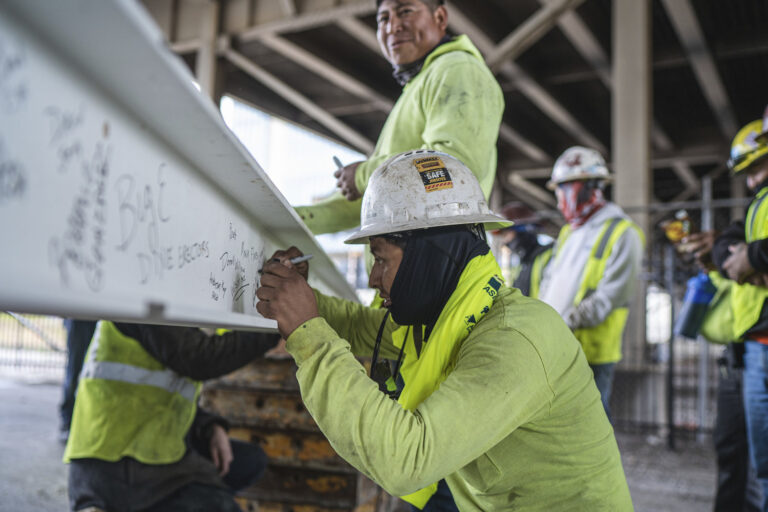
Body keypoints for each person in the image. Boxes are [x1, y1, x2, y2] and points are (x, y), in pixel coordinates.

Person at [256, 150, 633, 511]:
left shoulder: (513, 339)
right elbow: (362, 327)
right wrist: (305, 300)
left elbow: (406, 460)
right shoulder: (450, 323)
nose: (372, 278)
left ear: (430, 259)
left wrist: (308, 334)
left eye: (380, 259)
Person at [295, 0, 503, 235]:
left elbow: (454, 168)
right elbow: (372, 199)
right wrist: (292, 218)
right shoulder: (421, 83)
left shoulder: (457, 69)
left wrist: (364, 175)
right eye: (383, 19)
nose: (392, 27)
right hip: (417, 262)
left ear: (440, 18)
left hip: (437, 261)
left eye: (405, 12)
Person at [63, 321, 280, 512]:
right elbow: (199, 358)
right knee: (221, 506)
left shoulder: (180, 315)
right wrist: (277, 324)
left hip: (153, 452)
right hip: (116, 463)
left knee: (249, 460)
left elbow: (168, 393)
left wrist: (209, 426)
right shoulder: (143, 301)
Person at [537, 146, 644, 420]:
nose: (561, 197)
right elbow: (551, 283)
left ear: (590, 188)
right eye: (559, 189)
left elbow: (610, 297)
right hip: (553, 347)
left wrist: (564, 322)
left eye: (566, 187)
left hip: (590, 354)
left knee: (590, 430)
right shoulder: (567, 233)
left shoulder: (623, 233)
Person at [673, 230, 761, 511]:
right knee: (731, 450)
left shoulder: (750, 262)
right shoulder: (724, 267)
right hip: (736, 360)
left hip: (757, 354)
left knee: (757, 462)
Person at [712, 113, 768, 509]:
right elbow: (728, 240)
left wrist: (755, 256)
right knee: (758, 466)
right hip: (755, 346)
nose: (752, 180)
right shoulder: (757, 206)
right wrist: (740, 255)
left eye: (757, 167)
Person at [496, 202, 553, 298]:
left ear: (522, 230)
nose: (505, 241)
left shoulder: (549, 257)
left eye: (506, 234)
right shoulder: (523, 265)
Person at [59, 318, 97, 443]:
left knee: (94, 374)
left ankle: (86, 423)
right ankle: (67, 422)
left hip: (97, 319)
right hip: (78, 320)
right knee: (74, 372)